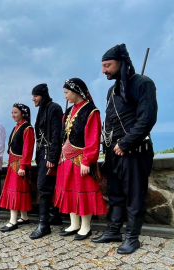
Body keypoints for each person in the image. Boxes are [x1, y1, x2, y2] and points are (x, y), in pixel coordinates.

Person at [92, 44, 157, 254]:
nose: (104, 71)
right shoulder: (112, 91)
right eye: (102, 66)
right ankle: (113, 230)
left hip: (133, 150)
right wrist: (109, 148)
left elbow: (147, 118)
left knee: (135, 195)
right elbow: (110, 121)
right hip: (113, 152)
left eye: (107, 65)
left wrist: (125, 143)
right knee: (115, 193)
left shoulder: (143, 83)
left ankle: (132, 237)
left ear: (121, 63)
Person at [53, 78, 108, 241]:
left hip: (80, 160)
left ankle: (85, 227)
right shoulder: (68, 112)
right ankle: (74, 224)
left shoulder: (91, 111)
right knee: (69, 190)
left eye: (67, 92)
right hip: (66, 159)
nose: (65, 96)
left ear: (76, 91)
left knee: (83, 191)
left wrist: (87, 160)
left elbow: (92, 138)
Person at [29, 84, 63, 239]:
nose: (33, 99)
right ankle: (54, 216)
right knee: (48, 186)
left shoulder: (54, 108)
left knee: (44, 186)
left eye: (35, 96)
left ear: (42, 95)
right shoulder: (42, 110)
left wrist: (52, 156)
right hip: (42, 153)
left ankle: (44, 225)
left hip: (49, 154)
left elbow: (57, 134)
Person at [0, 103, 35, 232]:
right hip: (13, 163)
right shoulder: (17, 127)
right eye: (12, 113)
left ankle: (13, 221)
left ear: (23, 114)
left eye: (15, 112)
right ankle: (24, 217)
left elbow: (28, 149)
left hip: (19, 164)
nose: (13, 115)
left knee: (15, 190)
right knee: (19, 190)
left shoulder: (27, 128)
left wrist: (23, 166)